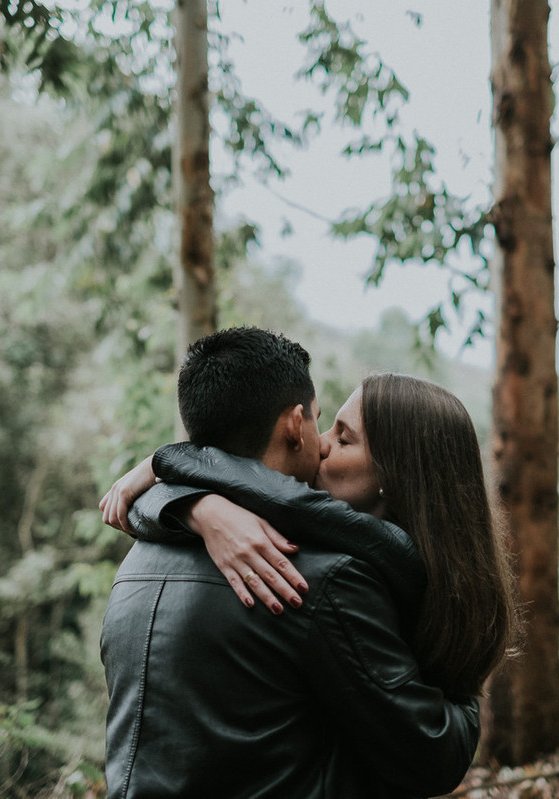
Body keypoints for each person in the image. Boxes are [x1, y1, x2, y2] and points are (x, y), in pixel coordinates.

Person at [99, 327, 514, 798]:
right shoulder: (319, 577)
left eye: (344, 436)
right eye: (324, 425)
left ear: (396, 477)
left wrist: (171, 479)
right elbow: (432, 757)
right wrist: (460, 680)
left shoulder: (142, 554)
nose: (321, 444)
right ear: (294, 425)